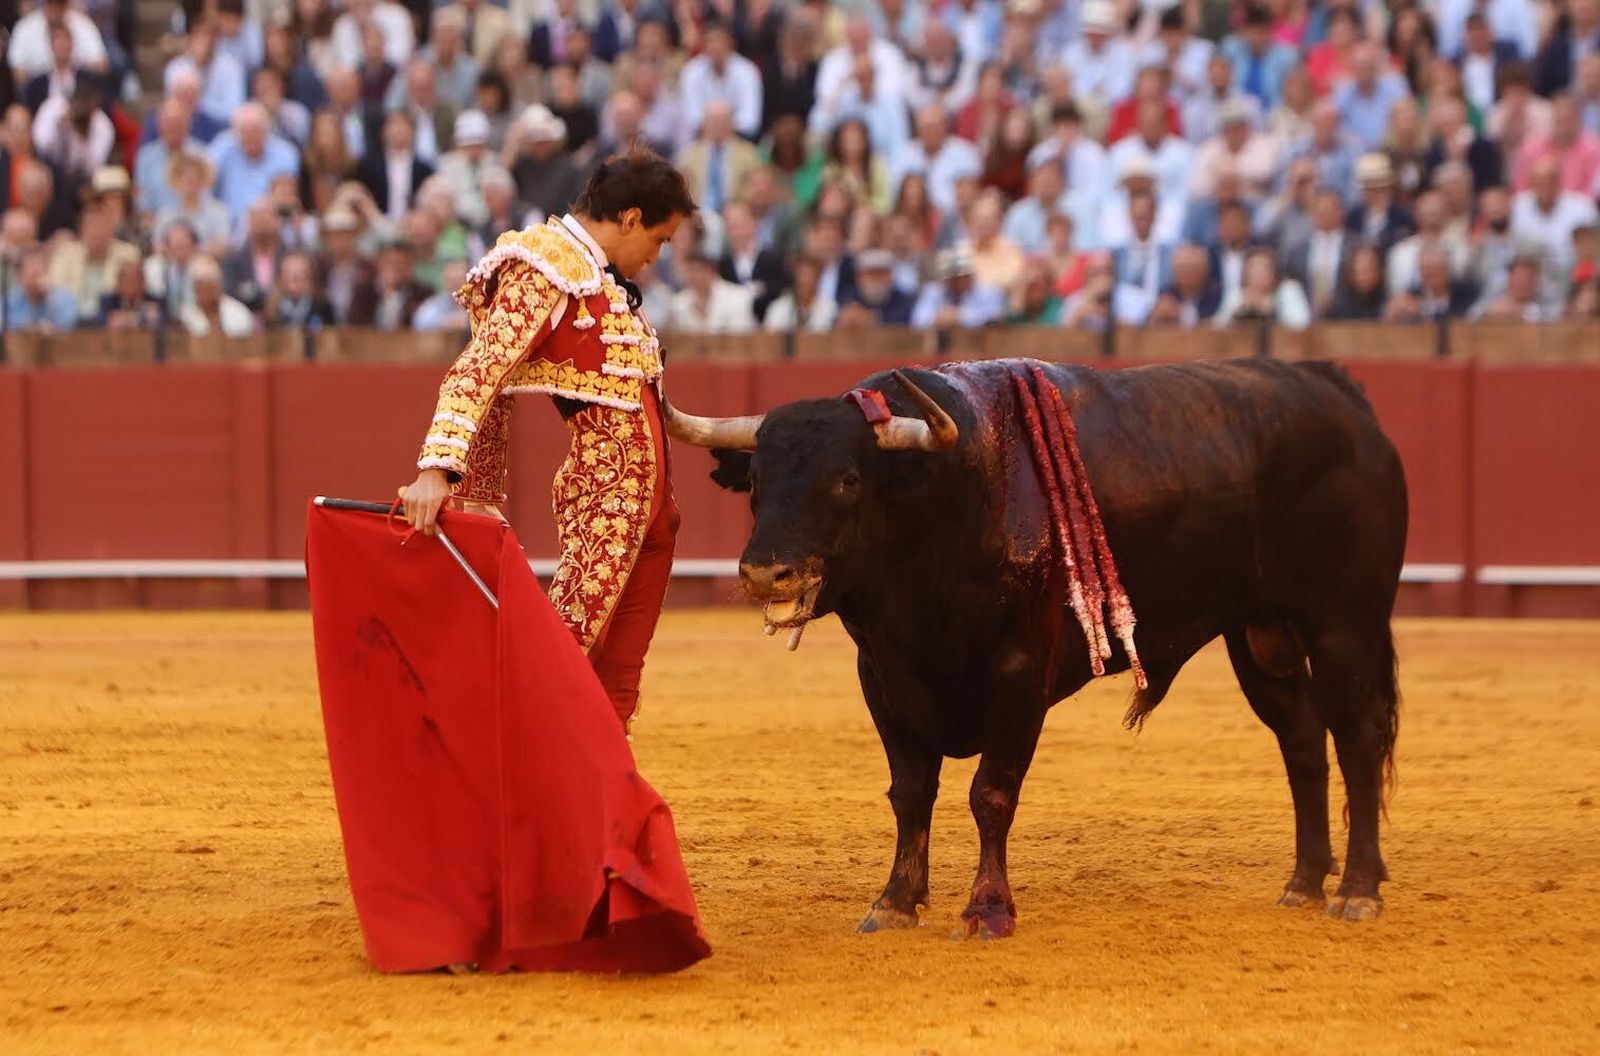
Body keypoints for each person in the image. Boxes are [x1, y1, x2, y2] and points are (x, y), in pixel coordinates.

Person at [400, 149, 698, 734]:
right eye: (660, 240)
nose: (657, 257)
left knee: (615, 679)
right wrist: (439, 469)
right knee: (558, 659)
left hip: (649, 517)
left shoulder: (599, 279)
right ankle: (491, 774)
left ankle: (599, 805)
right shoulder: (546, 265)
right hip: (606, 503)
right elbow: (480, 368)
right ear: (632, 218)